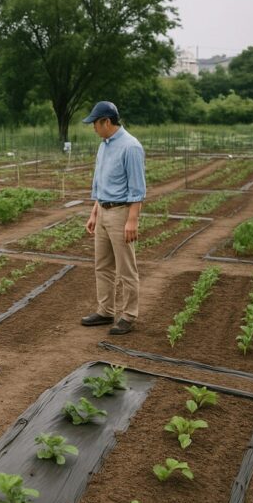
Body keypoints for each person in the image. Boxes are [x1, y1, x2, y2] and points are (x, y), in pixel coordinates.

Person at [79, 101, 146, 335]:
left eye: (95, 124)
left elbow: (137, 189)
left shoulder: (131, 147)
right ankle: (105, 311)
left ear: (107, 122)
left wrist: (132, 220)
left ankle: (128, 315)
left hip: (121, 213)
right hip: (103, 211)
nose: (93, 128)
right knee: (103, 265)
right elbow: (101, 184)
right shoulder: (104, 146)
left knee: (126, 268)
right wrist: (94, 212)